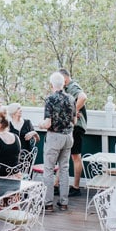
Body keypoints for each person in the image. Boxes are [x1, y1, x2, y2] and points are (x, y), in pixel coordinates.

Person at [38, 71, 76, 212]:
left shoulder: (50, 99)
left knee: (48, 169)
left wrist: (40, 125)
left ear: (51, 84)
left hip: (54, 137)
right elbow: (74, 120)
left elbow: (47, 123)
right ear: (63, 83)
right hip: (68, 137)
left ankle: (48, 204)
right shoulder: (71, 98)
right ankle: (64, 202)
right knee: (64, 169)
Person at [59, 68, 88, 198]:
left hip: (77, 127)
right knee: (63, 155)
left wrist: (72, 112)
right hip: (70, 126)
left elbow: (83, 97)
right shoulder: (65, 90)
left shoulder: (72, 86)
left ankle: (76, 187)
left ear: (64, 78)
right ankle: (56, 184)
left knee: (75, 156)